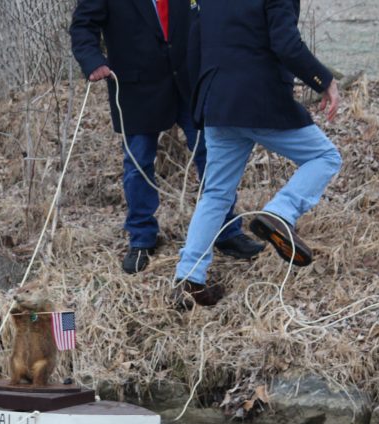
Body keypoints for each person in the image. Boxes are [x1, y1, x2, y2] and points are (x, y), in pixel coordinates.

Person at [69, 0, 265, 275]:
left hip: (190, 81)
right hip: (136, 88)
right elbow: (83, 26)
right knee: (137, 164)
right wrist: (92, 61)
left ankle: (226, 230)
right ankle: (141, 238)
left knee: (212, 156)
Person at [171, 0, 342, 308]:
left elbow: (190, 49)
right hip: (259, 99)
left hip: (217, 102)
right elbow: (286, 44)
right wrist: (324, 80)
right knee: (325, 157)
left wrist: (202, 99)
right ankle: (280, 213)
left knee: (216, 194)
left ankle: (188, 279)